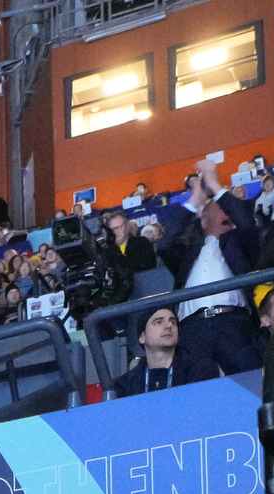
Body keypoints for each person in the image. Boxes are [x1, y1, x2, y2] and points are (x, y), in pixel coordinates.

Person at [157, 157, 264, 377]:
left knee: (249, 386)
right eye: (221, 209)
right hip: (191, 329)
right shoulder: (188, 253)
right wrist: (195, 197)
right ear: (204, 220)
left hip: (233, 324)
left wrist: (215, 184)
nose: (229, 214)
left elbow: (245, 223)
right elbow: (165, 244)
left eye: (230, 209)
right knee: (195, 395)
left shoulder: (240, 244)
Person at [113, 304, 214, 397]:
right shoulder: (126, 383)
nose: (169, 325)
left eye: (173, 322)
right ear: (142, 337)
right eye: (158, 322)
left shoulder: (201, 368)